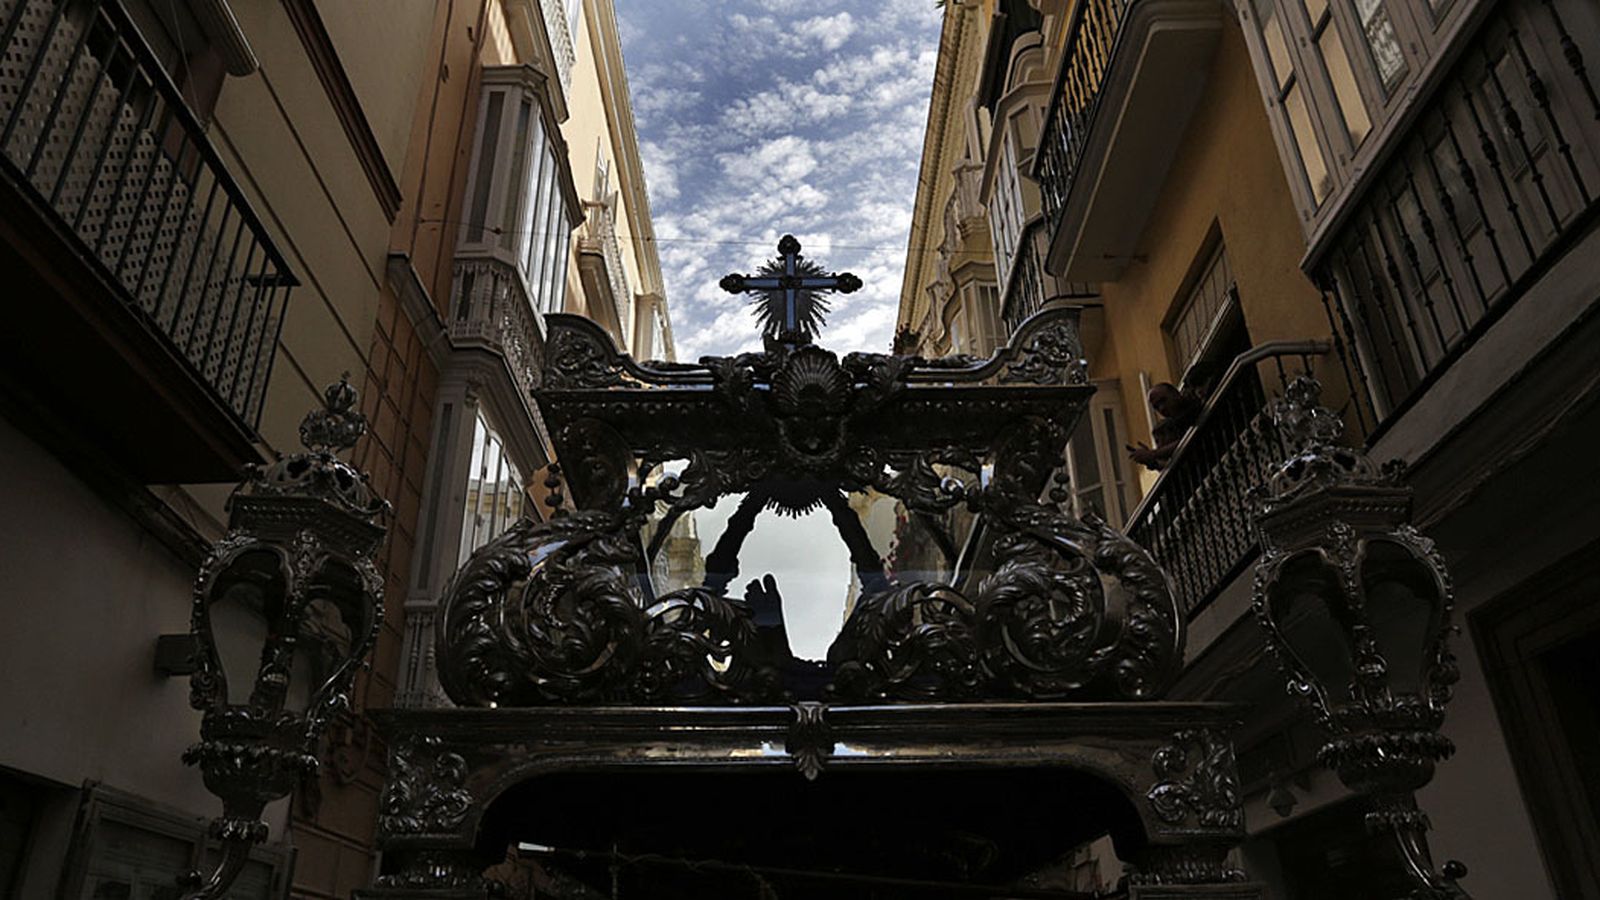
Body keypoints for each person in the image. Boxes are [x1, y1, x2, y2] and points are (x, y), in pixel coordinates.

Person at [1127, 381, 1204, 471]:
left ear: (1175, 393)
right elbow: (1169, 465)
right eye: (1156, 407)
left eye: (1163, 400)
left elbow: (1191, 438)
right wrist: (1152, 462)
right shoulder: (1163, 430)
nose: (1162, 408)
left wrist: (1153, 454)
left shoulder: (1195, 405)